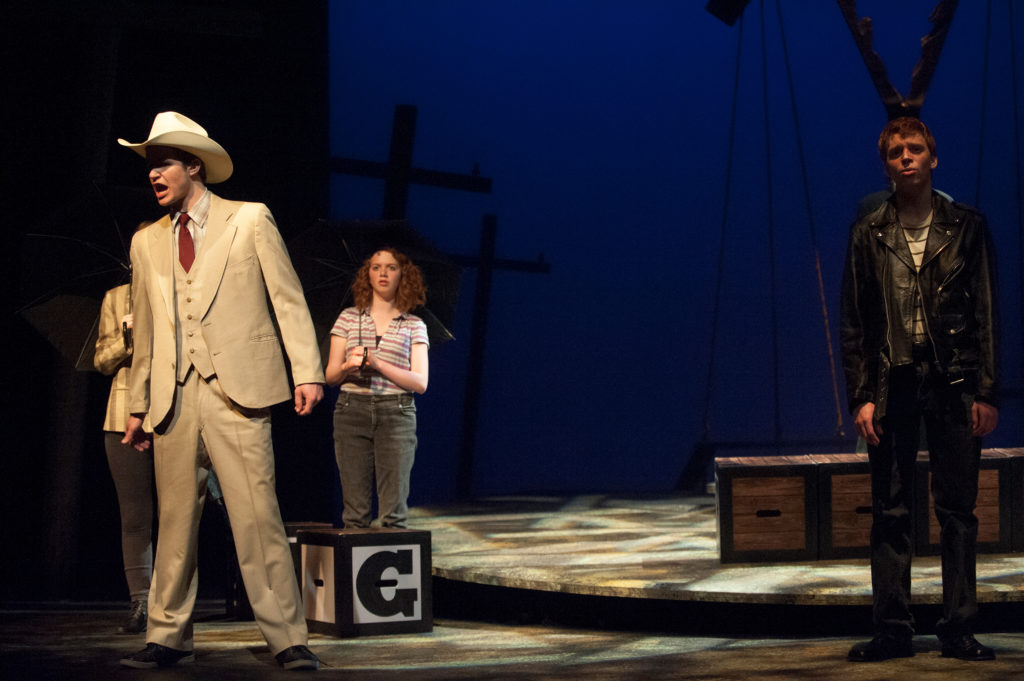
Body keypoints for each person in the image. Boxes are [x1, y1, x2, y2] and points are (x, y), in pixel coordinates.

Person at [117, 111, 325, 670]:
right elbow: (149, 330)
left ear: (193, 166)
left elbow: (287, 297)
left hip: (239, 391)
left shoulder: (249, 219)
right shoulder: (146, 242)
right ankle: (166, 636)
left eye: (163, 164)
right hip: (173, 398)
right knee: (175, 522)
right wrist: (137, 406)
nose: (154, 175)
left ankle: (287, 637)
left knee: (258, 518)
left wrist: (307, 369)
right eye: (150, 167)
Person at [840, 117, 1000, 662]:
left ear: (934, 157)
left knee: (957, 509)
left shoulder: (967, 227)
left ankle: (958, 627)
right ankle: (892, 628)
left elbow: (986, 313)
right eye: (895, 152)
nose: (905, 157)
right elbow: (855, 321)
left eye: (914, 149)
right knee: (890, 509)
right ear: (885, 165)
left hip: (953, 381)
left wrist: (987, 390)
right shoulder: (869, 231)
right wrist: (861, 395)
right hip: (893, 383)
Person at [324, 248, 429, 529]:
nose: (383, 273)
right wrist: (348, 366)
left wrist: (378, 363)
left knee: (393, 516)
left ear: (402, 275)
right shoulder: (349, 318)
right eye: (376, 267)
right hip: (351, 409)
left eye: (391, 267)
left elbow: (420, 382)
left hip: (396, 413)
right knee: (355, 514)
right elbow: (330, 375)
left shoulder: (414, 324)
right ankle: (355, 573)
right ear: (366, 274)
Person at [94, 281, 153, 634]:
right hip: (122, 417)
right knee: (134, 517)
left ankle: (174, 601)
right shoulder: (115, 297)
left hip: (173, 414)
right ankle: (141, 601)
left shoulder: (184, 289)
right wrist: (126, 337)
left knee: (182, 515)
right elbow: (101, 361)